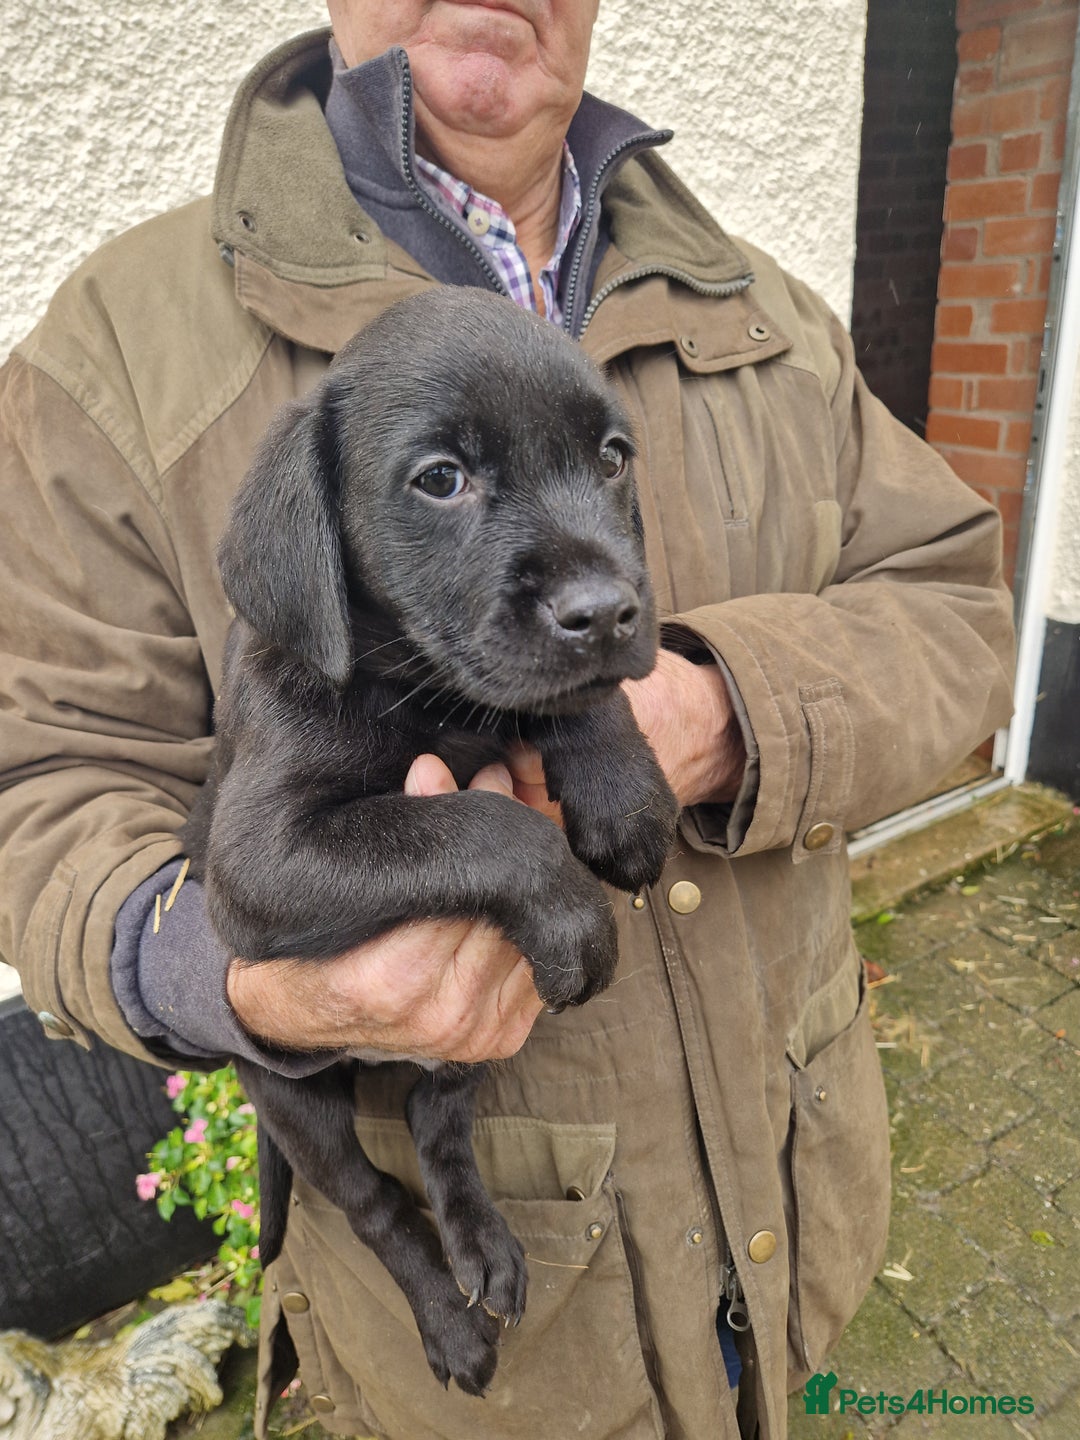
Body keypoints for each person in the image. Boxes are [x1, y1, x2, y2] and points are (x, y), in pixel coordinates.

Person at [0, 4, 1015, 1438]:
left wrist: (720, 701)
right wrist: (243, 988)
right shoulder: (121, 350)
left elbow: (960, 604)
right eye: (446, 481)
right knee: (386, 1159)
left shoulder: (764, 309)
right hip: (496, 1363)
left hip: (796, 1218)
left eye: (604, 464)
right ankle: (420, 1253)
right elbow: (37, 776)